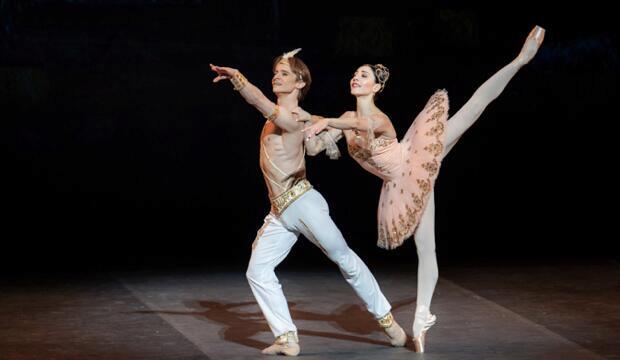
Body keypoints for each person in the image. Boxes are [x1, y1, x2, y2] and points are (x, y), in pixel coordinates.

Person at [300, 26, 546, 352]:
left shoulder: (376, 117)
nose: (356, 78)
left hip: (414, 159)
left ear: (377, 86)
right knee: (425, 248)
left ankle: (519, 60)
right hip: (400, 185)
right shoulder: (345, 117)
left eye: (363, 75)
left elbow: (360, 125)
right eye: (355, 74)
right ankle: (423, 315)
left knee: (471, 110)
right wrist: (306, 131)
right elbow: (321, 142)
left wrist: (327, 121)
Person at [210, 49, 406, 356]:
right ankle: (287, 337)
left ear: (300, 83)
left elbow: (262, 104)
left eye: (285, 73)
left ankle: (387, 320)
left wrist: (238, 80)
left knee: (344, 258)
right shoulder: (300, 119)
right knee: (257, 271)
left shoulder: (292, 117)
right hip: (280, 211)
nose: (277, 75)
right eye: (275, 71)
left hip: (303, 203)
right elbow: (310, 128)